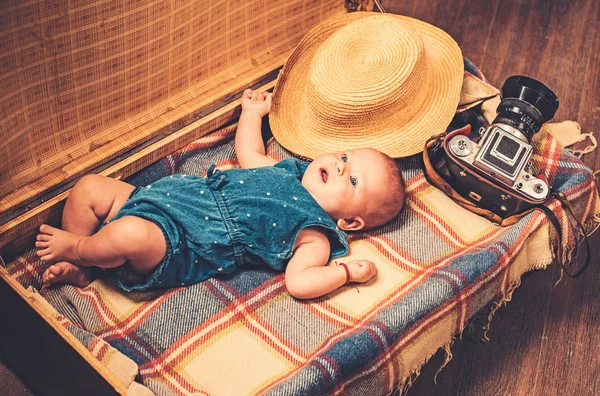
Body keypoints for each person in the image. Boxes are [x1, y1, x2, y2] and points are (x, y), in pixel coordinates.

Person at [35, 89, 405, 299]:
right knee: (88, 188)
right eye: (345, 157)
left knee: (127, 234)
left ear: (350, 221)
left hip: (182, 243)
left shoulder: (315, 235)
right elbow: (247, 152)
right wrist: (252, 114)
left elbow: (299, 282)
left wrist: (343, 274)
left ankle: (79, 250)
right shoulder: (285, 170)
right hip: (167, 197)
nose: (341, 167)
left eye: (353, 181)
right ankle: (86, 269)